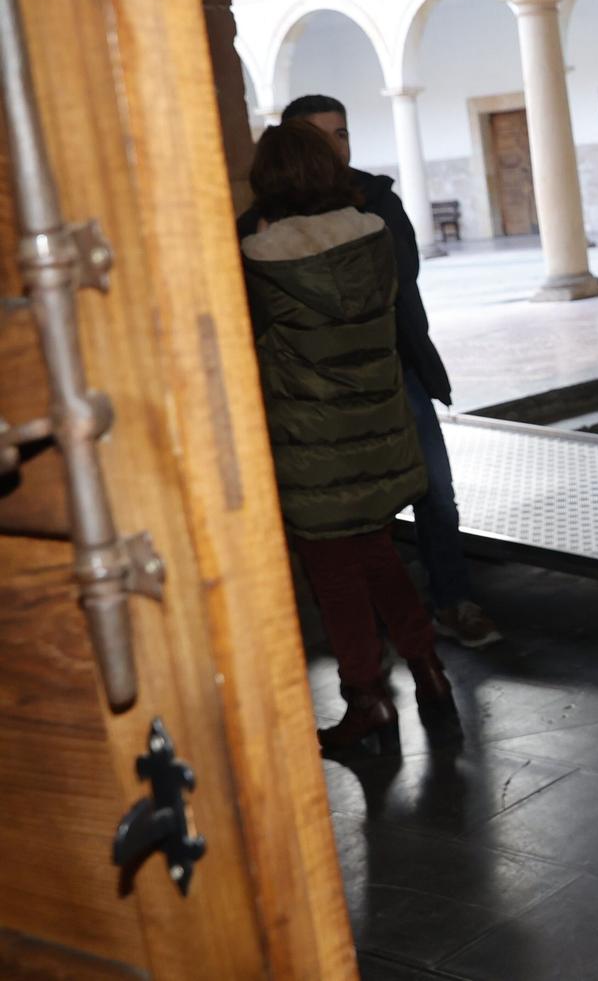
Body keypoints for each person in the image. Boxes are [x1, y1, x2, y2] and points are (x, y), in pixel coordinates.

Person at [237, 95, 501, 648]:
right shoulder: (257, 229)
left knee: (434, 495)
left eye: (343, 133)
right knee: (354, 536)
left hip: (391, 371)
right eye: (320, 136)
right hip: (312, 400)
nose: (336, 146)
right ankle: (394, 657)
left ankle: (451, 604)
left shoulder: (373, 202)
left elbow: (401, 275)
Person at [241, 120, 459, 756]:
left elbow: (250, 347)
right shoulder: (373, 241)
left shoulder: (262, 261)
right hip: (376, 435)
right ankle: (428, 671)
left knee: (334, 577)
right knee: (379, 557)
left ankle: (367, 699)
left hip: (312, 450)